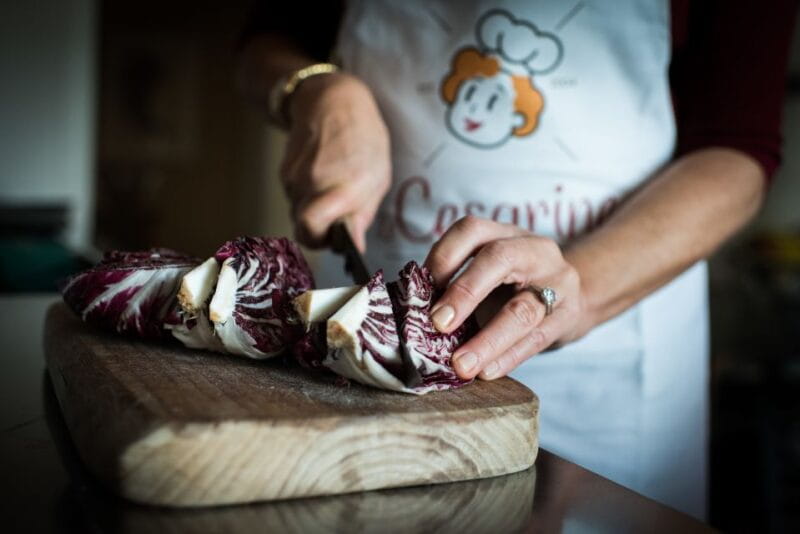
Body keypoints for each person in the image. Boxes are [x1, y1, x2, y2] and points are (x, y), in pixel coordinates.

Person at [238, 0, 797, 519]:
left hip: (613, 367)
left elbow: (738, 146)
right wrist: (315, 89)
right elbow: (263, 41)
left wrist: (582, 288)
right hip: (363, 337)